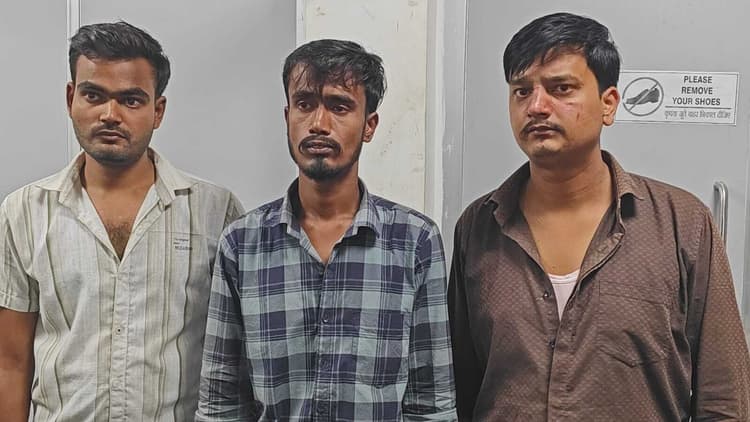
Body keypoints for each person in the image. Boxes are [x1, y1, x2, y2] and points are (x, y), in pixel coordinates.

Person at [449, 12, 750, 421]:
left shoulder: (683, 224)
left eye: (561, 88)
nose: (536, 106)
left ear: (608, 104)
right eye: (521, 91)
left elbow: (724, 394)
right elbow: (458, 385)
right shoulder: (478, 227)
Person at [196, 39, 456, 421]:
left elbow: (432, 403)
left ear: (369, 125)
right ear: (287, 117)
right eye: (304, 104)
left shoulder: (414, 241)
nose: (318, 123)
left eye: (339, 106)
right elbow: (221, 404)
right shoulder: (242, 244)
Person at [0, 21, 243, 421]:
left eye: (131, 100)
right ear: (70, 98)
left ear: (157, 111)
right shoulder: (24, 211)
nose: (110, 115)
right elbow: (11, 362)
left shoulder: (216, 212)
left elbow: (234, 358)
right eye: (94, 95)